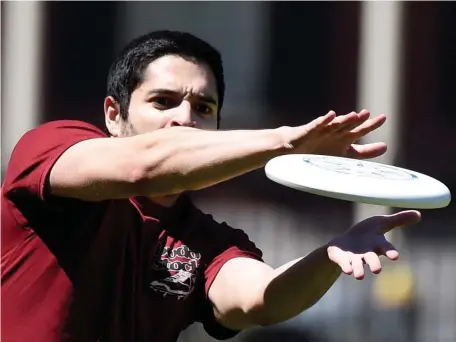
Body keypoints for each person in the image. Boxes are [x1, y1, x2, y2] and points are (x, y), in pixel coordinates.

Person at [1, 30, 421, 342]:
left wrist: (330, 255)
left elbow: (263, 299)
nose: (185, 119)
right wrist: (286, 142)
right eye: (162, 101)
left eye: (203, 108)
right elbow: (143, 167)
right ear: (114, 114)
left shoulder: (205, 240)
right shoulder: (52, 147)